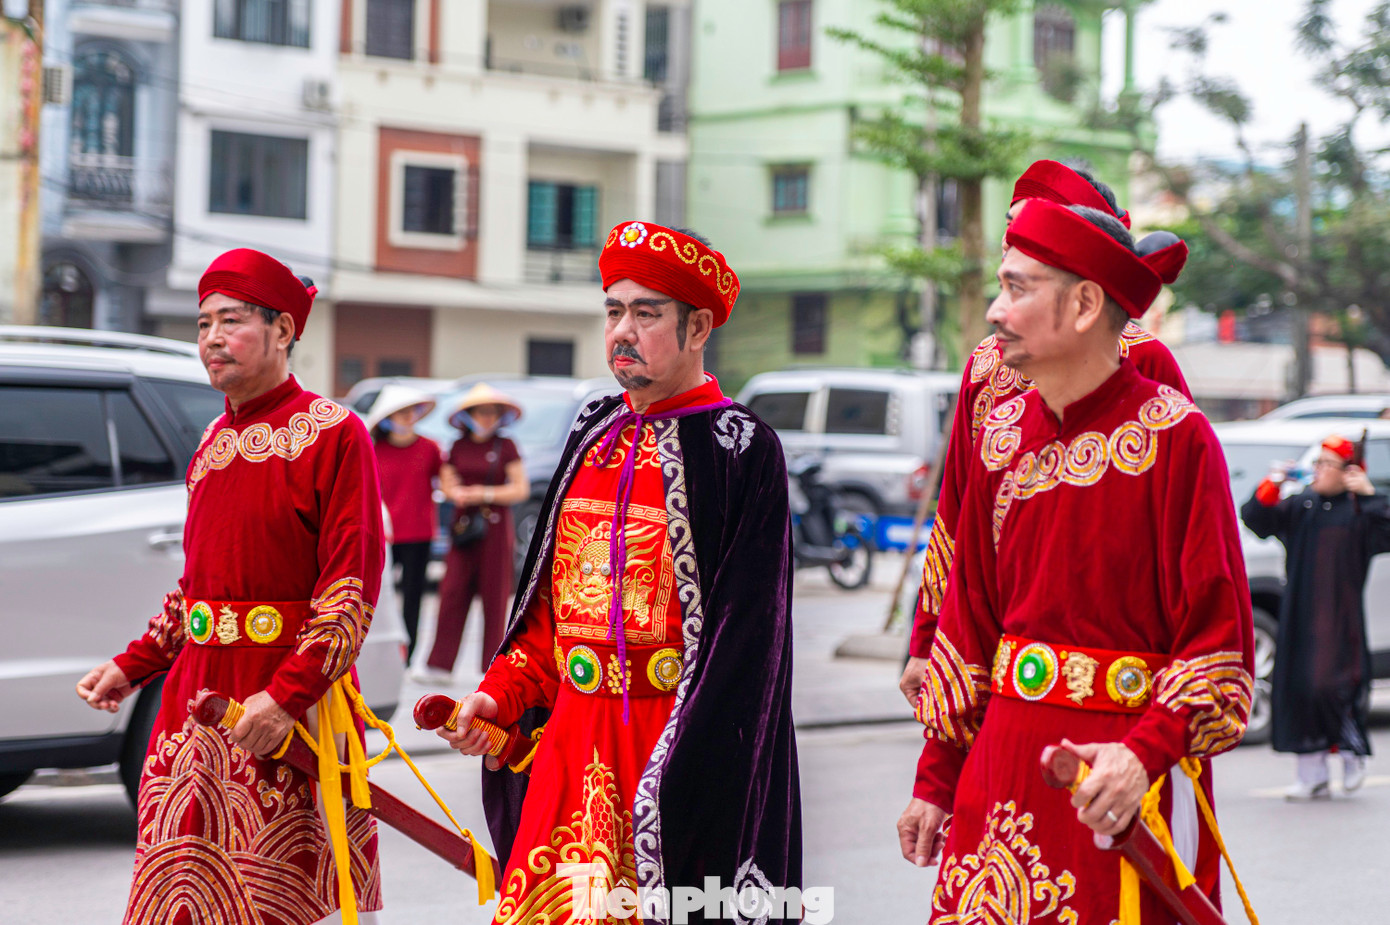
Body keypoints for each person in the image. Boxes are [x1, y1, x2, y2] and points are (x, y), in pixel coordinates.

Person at [436, 221, 801, 923]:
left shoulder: (741, 449)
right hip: (570, 758)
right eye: (613, 310)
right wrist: (499, 696)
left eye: (646, 312)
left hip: (673, 758)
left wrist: (682, 773)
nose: (622, 330)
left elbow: (747, 653)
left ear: (698, 327)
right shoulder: (592, 430)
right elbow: (546, 620)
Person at [902, 201, 1255, 923]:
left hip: (1121, 781)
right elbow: (969, 626)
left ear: (1087, 302)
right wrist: (936, 780)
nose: (997, 311)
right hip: (1000, 775)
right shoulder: (997, 438)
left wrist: (1140, 755)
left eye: (1019, 287)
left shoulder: (1176, 439)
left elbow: (1217, 644)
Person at [75, 248, 385, 925]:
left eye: (233, 320)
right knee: (178, 901)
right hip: (195, 705)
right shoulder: (213, 441)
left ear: (282, 330)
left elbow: (351, 589)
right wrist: (132, 665)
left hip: (285, 705)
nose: (213, 338)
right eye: (204, 322)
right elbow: (196, 589)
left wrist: (285, 696)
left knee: (269, 903)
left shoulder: (334, 434)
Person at [900, 159, 1193, 708]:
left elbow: (1178, 547)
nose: (1015, 241)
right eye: (1012, 226)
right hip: (990, 630)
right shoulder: (986, 366)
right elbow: (955, 511)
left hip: (1115, 661)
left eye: (1035, 227)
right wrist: (927, 638)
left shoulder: (1149, 365)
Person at [1240, 434, 1390, 799]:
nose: (1318, 471)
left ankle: (1351, 755)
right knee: (1301, 688)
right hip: (1301, 612)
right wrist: (1271, 486)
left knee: (1336, 686)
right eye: (1317, 463)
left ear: (1348, 472)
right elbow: (1255, 519)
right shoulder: (1302, 505)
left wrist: (1370, 495)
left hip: (1342, 617)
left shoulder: (1359, 509)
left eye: (1327, 464)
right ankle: (1312, 771)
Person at [419, 383, 529, 679]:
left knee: (495, 595)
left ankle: (493, 666)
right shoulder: (457, 446)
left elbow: (520, 488)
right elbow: (446, 481)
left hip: (495, 527)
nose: (487, 419)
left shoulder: (507, 446)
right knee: (452, 590)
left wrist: (482, 493)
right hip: (463, 525)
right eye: (481, 413)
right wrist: (457, 493)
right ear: (469, 415)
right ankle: (439, 664)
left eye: (492, 413)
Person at [367, 385, 441, 660]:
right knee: (377, 594)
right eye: (400, 413)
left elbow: (446, 482)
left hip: (420, 533)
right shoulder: (375, 450)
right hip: (384, 533)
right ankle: (377, 649)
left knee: (413, 598)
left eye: (411, 411)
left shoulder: (430, 448)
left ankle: (408, 655)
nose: (407, 417)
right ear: (388, 418)